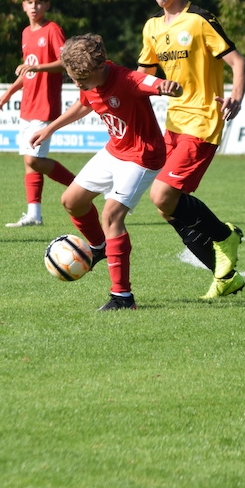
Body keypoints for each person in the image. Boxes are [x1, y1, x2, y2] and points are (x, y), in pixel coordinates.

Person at [30, 34, 182, 311]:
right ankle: (99, 247)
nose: (78, 84)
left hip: (142, 156)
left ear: (100, 67)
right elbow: (84, 103)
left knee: (111, 215)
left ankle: (122, 297)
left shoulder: (126, 80)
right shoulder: (87, 80)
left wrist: (167, 86)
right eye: (74, 79)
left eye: (81, 80)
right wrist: (50, 128)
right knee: (71, 201)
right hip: (115, 150)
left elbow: (153, 83)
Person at [137, 0, 245, 300]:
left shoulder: (200, 20)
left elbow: (239, 62)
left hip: (203, 120)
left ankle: (224, 236)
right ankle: (225, 277)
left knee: (161, 194)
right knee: (166, 206)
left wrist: (235, 97)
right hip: (173, 124)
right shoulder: (152, 27)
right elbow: (143, 77)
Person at [0, 0, 75, 227]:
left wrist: (38, 67)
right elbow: (27, 71)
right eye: (30, 2)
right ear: (23, 6)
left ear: (47, 5)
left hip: (45, 105)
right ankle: (34, 215)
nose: (34, 6)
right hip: (27, 106)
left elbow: (65, 62)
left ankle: (82, 186)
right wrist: (9, 93)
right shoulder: (26, 33)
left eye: (39, 2)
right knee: (29, 161)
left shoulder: (52, 30)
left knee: (33, 159)